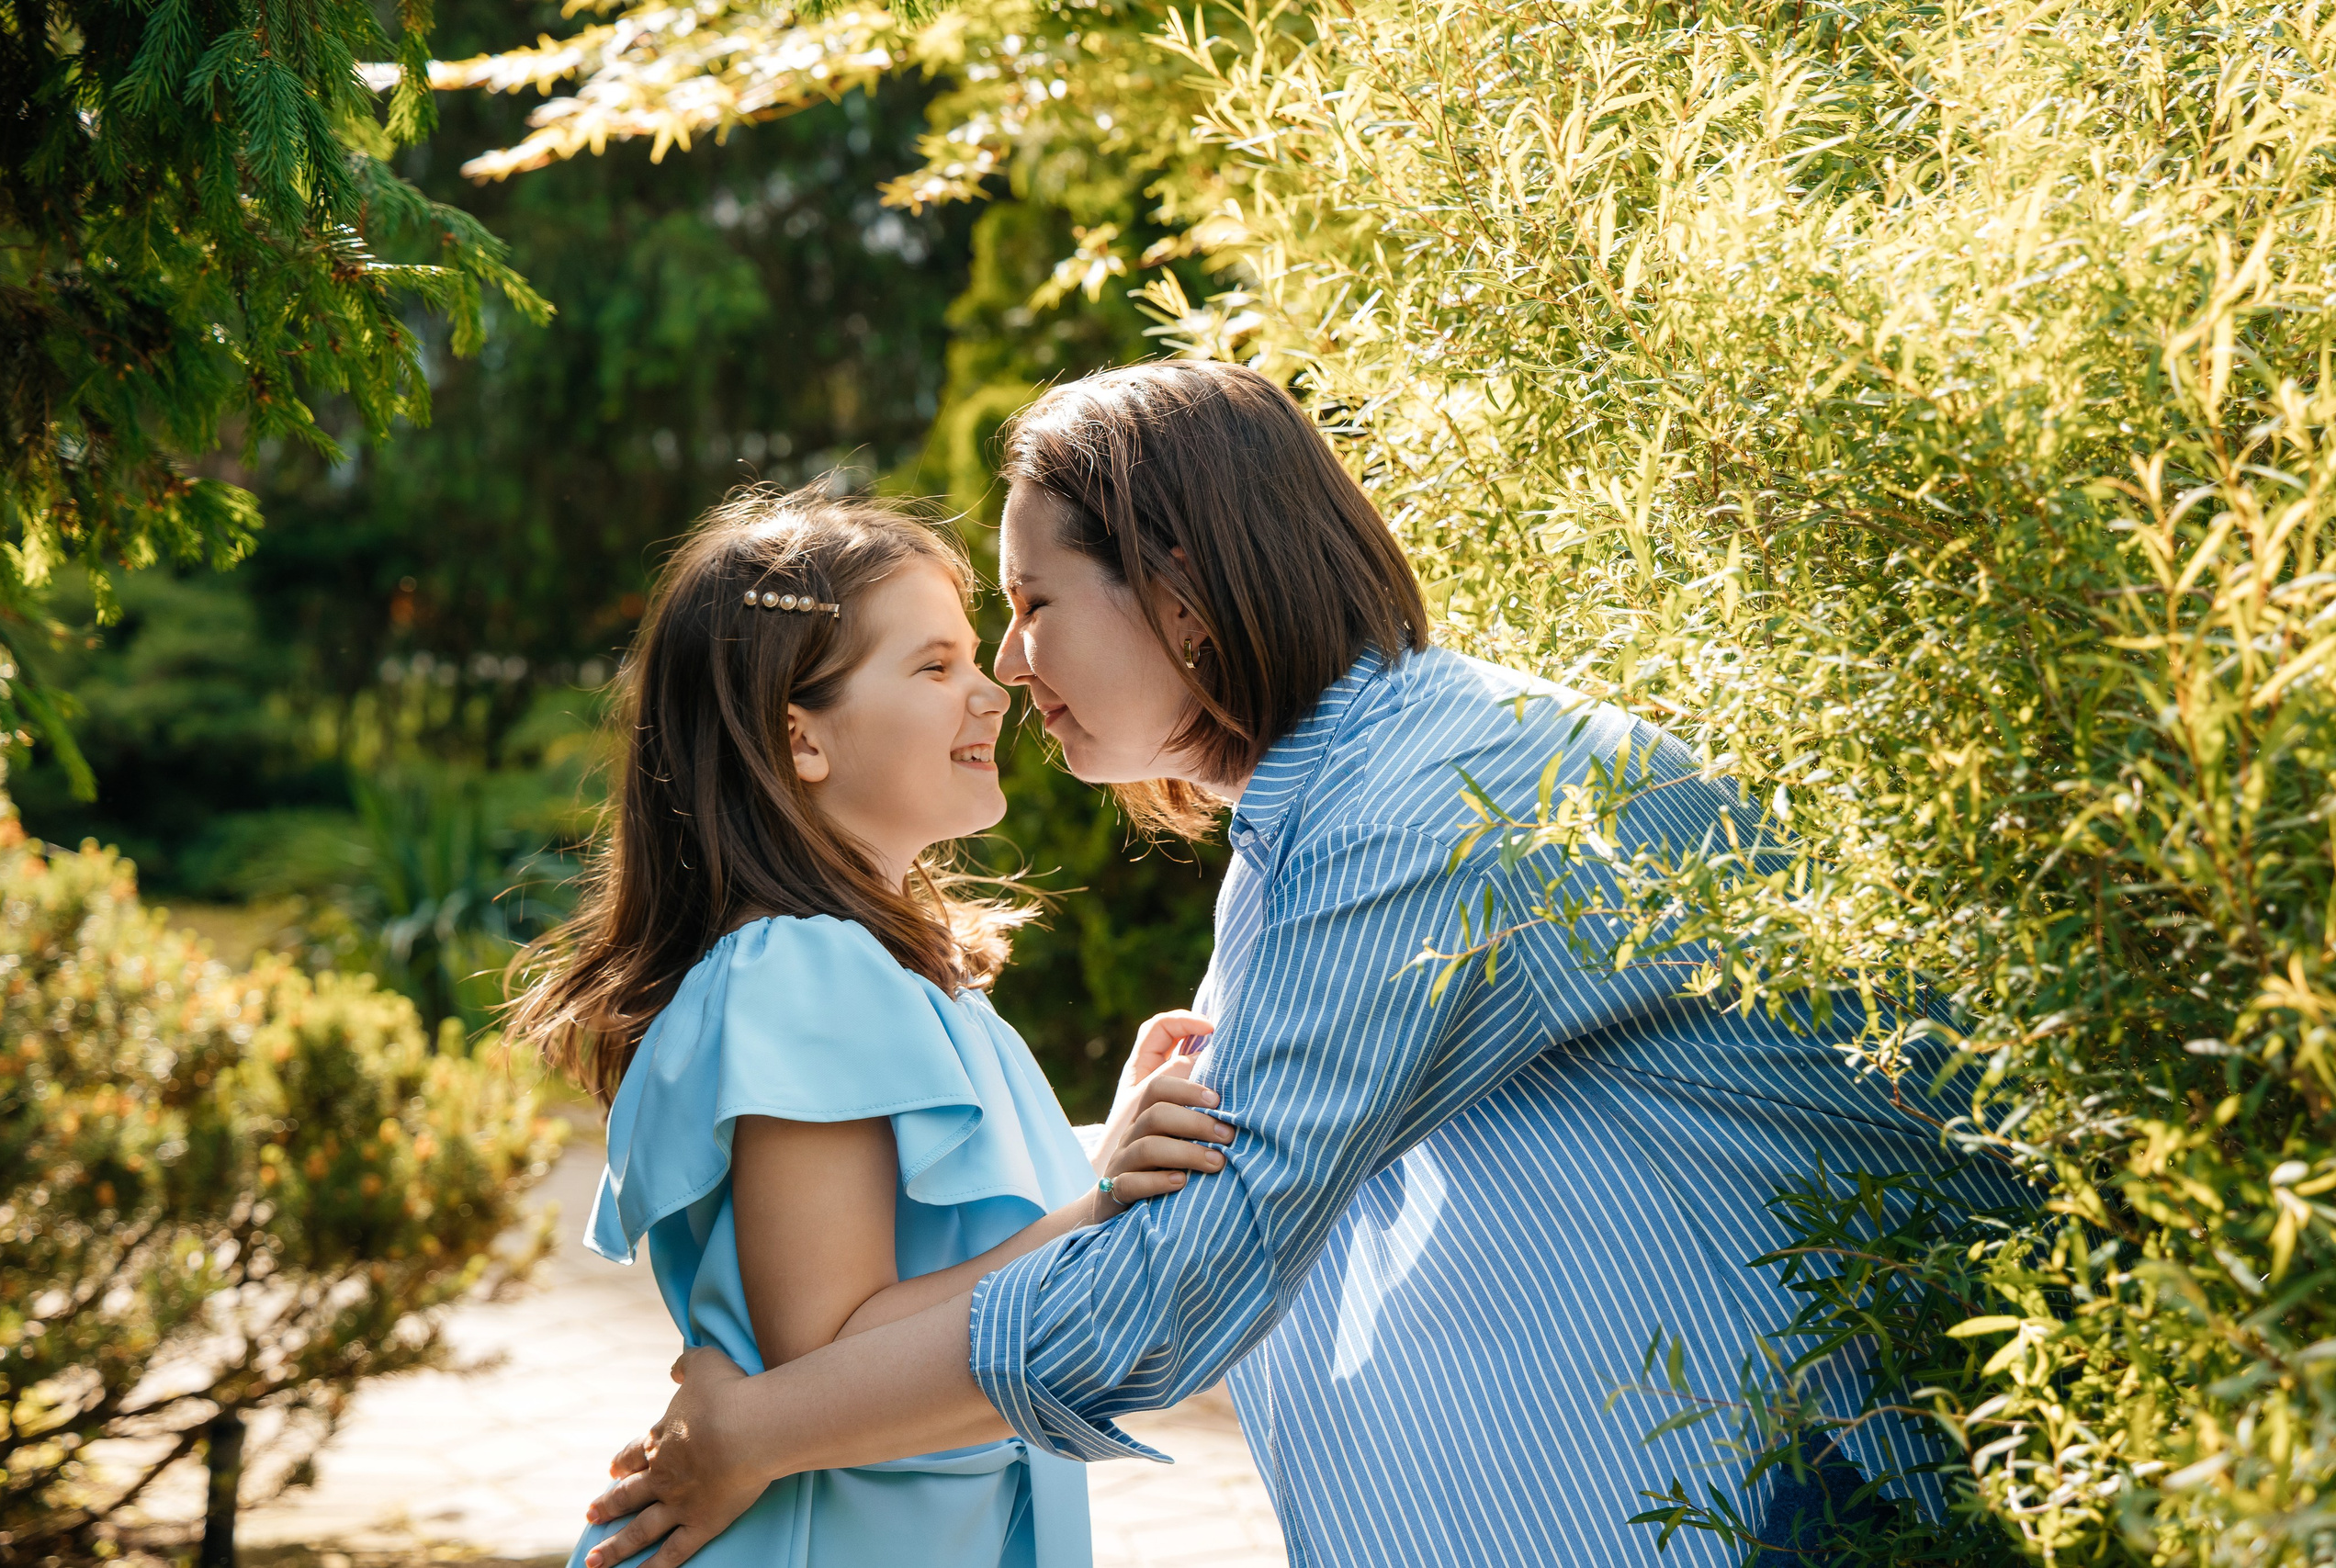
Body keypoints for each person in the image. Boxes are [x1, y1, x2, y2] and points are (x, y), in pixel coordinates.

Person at [578, 363, 2021, 1568]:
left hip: (1802, 1500)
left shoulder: (1416, 815)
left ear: (1182, 590)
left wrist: (756, 1427)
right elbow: (1152, 1207)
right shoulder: (1315, 836)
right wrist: (1109, 1167)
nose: (1012, 668)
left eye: (1031, 605)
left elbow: (1175, 1281)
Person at [502, 484, 1240, 1568]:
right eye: (934, 667)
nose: (992, 696)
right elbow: (830, 1350)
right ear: (798, 737)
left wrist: (1103, 1144)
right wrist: (1099, 1201)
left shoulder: (874, 972)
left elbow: (934, 1240)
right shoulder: (803, 971)